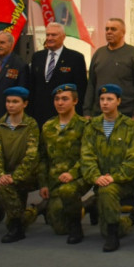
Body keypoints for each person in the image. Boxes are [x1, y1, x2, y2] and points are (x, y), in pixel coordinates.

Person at [80, 83, 134, 252]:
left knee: (108, 195)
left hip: (124, 182)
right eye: (102, 99)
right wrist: (96, 176)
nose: (105, 103)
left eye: (109, 99)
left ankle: (117, 231)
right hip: (99, 181)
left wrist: (114, 177)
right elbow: (87, 156)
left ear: (118, 101)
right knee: (105, 192)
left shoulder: (129, 126)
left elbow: (133, 159)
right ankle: (101, 206)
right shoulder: (92, 126)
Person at [38, 83, 92, 244]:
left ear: (75, 101)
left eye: (64, 99)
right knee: (60, 228)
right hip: (55, 180)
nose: (60, 103)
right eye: (57, 99)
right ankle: (86, 206)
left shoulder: (84, 125)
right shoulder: (48, 127)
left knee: (68, 192)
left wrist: (72, 174)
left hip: (79, 177)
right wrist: (43, 184)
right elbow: (42, 157)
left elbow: (88, 156)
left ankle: (78, 225)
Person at [0, 86, 40, 243]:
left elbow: (31, 156)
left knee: (7, 189)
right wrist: (0, 174)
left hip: (27, 175)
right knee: (5, 187)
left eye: (15, 101)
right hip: (6, 175)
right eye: (8, 101)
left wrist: (15, 176)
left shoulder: (31, 125)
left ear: (25, 104)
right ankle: (19, 222)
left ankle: (19, 224)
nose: (10, 105)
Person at [83, 18, 134, 118]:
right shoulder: (99, 54)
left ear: (123, 32)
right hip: (99, 114)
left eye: (113, 29)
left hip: (126, 114)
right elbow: (91, 84)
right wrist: (87, 112)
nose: (109, 32)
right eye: (107, 29)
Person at [28, 22, 88, 127]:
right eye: (47, 35)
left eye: (54, 35)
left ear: (63, 37)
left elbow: (81, 89)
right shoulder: (37, 57)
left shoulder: (75, 58)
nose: (49, 38)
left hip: (64, 115)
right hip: (39, 114)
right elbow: (32, 86)